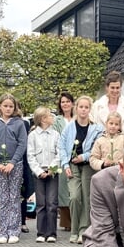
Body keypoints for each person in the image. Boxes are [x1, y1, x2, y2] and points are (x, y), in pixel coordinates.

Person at [60, 95, 103, 244]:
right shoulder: (68, 128)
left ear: (89, 109)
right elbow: (62, 147)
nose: (83, 110)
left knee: (86, 198)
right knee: (74, 197)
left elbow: (96, 148)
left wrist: (84, 157)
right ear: (76, 108)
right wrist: (65, 165)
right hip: (72, 166)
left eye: (86, 107)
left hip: (88, 165)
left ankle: (83, 230)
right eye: (81, 107)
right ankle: (74, 229)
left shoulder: (96, 128)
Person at [0, 94, 28, 244]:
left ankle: (14, 230)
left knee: (14, 197)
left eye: (11, 106)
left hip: (15, 165)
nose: (8, 108)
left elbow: (22, 143)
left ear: (15, 107)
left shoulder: (19, 124)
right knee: (3, 198)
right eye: (5, 106)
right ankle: (3, 231)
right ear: (0, 106)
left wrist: (13, 162)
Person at [26, 107, 60, 243]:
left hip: (52, 173)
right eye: (50, 116)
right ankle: (41, 232)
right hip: (39, 173)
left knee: (52, 202)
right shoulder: (33, 135)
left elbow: (59, 153)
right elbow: (31, 155)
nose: (53, 118)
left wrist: (52, 169)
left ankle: (51, 233)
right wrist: (39, 172)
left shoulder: (56, 135)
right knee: (41, 203)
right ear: (43, 119)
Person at [53, 91, 75, 232]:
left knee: (75, 189)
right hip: (62, 157)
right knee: (63, 189)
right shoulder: (57, 121)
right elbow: (56, 138)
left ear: (72, 103)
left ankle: (77, 219)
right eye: (63, 102)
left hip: (76, 156)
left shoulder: (78, 118)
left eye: (68, 101)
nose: (65, 104)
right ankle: (66, 221)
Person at [91, 71, 124, 138]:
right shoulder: (96, 106)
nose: (115, 91)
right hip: (102, 145)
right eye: (112, 88)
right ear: (107, 87)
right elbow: (92, 129)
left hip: (123, 145)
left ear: (121, 87)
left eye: (117, 88)